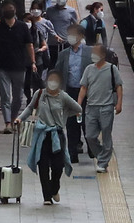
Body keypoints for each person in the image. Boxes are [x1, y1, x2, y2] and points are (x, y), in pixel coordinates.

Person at [16, 71, 81, 205]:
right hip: (42, 135)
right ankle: (46, 196)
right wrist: (19, 118)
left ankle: (54, 188)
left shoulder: (63, 96)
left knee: (58, 166)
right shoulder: (40, 94)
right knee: (43, 165)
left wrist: (64, 116)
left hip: (57, 135)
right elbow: (29, 108)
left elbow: (78, 108)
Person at [0, 0, 35, 134]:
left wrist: (32, 62)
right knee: (5, 97)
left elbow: (29, 45)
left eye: (11, 8)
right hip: (2, 66)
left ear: (15, 11)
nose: (9, 10)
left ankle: (14, 117)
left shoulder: (22, 27)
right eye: (6, 8)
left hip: (19, 66)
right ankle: (7, 123)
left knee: (18, 97)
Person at [77, 43, 123, 173]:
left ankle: (103, 163)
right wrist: (78, 104)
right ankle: (102, 155)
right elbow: (83, 88)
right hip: (91, 107)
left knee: (106, 135)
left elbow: (119, 86)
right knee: (90, 135)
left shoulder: (112, 69)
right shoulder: (88, 69)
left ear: (103, 55)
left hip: (106, 107)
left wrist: (119, 103)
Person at [55, 24, 92, 163]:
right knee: (71, 124)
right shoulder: (63, 54)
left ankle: (92, 147)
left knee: (88, 123)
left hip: (87, 93)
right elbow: (57, 72)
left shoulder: (90, 52)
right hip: (70, 91)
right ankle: (72, 153)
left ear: (81, 36)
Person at [22, 13, 47, 105]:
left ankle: (35, 101)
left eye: (27, 21)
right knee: (26, 84)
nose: (26, 24)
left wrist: (40, 49)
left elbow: (45, 45)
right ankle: (29, 98)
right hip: (25, 62)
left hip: (38, 60)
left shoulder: (37, 32)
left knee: (36, 83)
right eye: (24, 22)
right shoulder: (21, 33)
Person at [44, 0, 77, 68]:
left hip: (66, 41)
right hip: (53, 42)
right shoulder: (49, 10)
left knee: (66, 63)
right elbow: (46, 24)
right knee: (53, 63)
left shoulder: (72, 11)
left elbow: (75, 25)